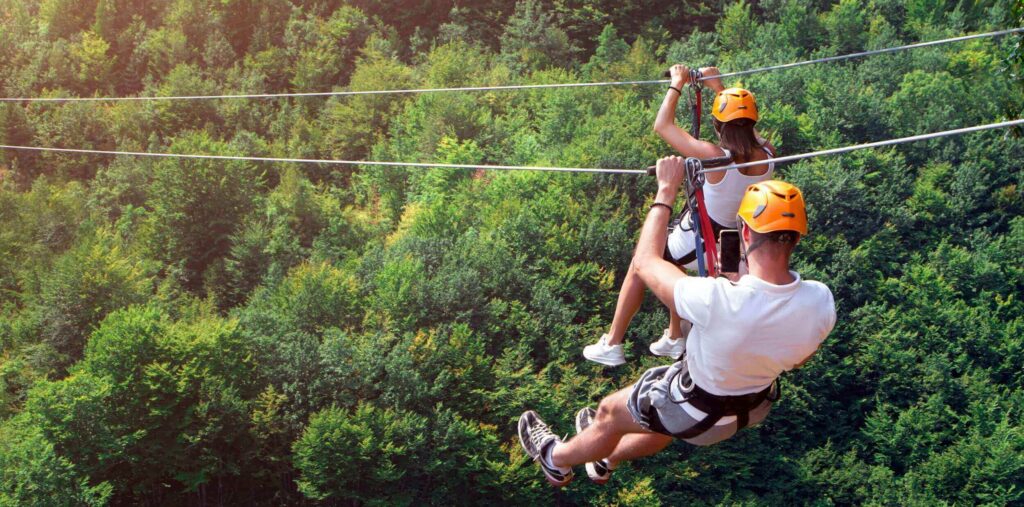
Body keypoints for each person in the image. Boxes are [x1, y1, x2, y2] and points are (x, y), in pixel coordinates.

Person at [520, 158, 836, 487]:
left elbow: (644, 262)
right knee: (660, 421)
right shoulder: (820, 302)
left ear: (744, 231)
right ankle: (606, 458)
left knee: (609, 413)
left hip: (695, 409)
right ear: (797, 237)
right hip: (748, 409)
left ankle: (554, 459)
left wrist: (666, 190)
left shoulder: (717, 299)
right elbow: (799, 358)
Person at [584, 65, 779, 366]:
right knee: (673, 264)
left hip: (702, 237)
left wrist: (677, 83)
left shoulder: (714, 157)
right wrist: (719, 88)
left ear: (717, 125)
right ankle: (675, 336)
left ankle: (612, 342)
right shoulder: (768, 154)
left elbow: (663, 125)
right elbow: (745, 129)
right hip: (732, 241)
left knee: (642, 261)